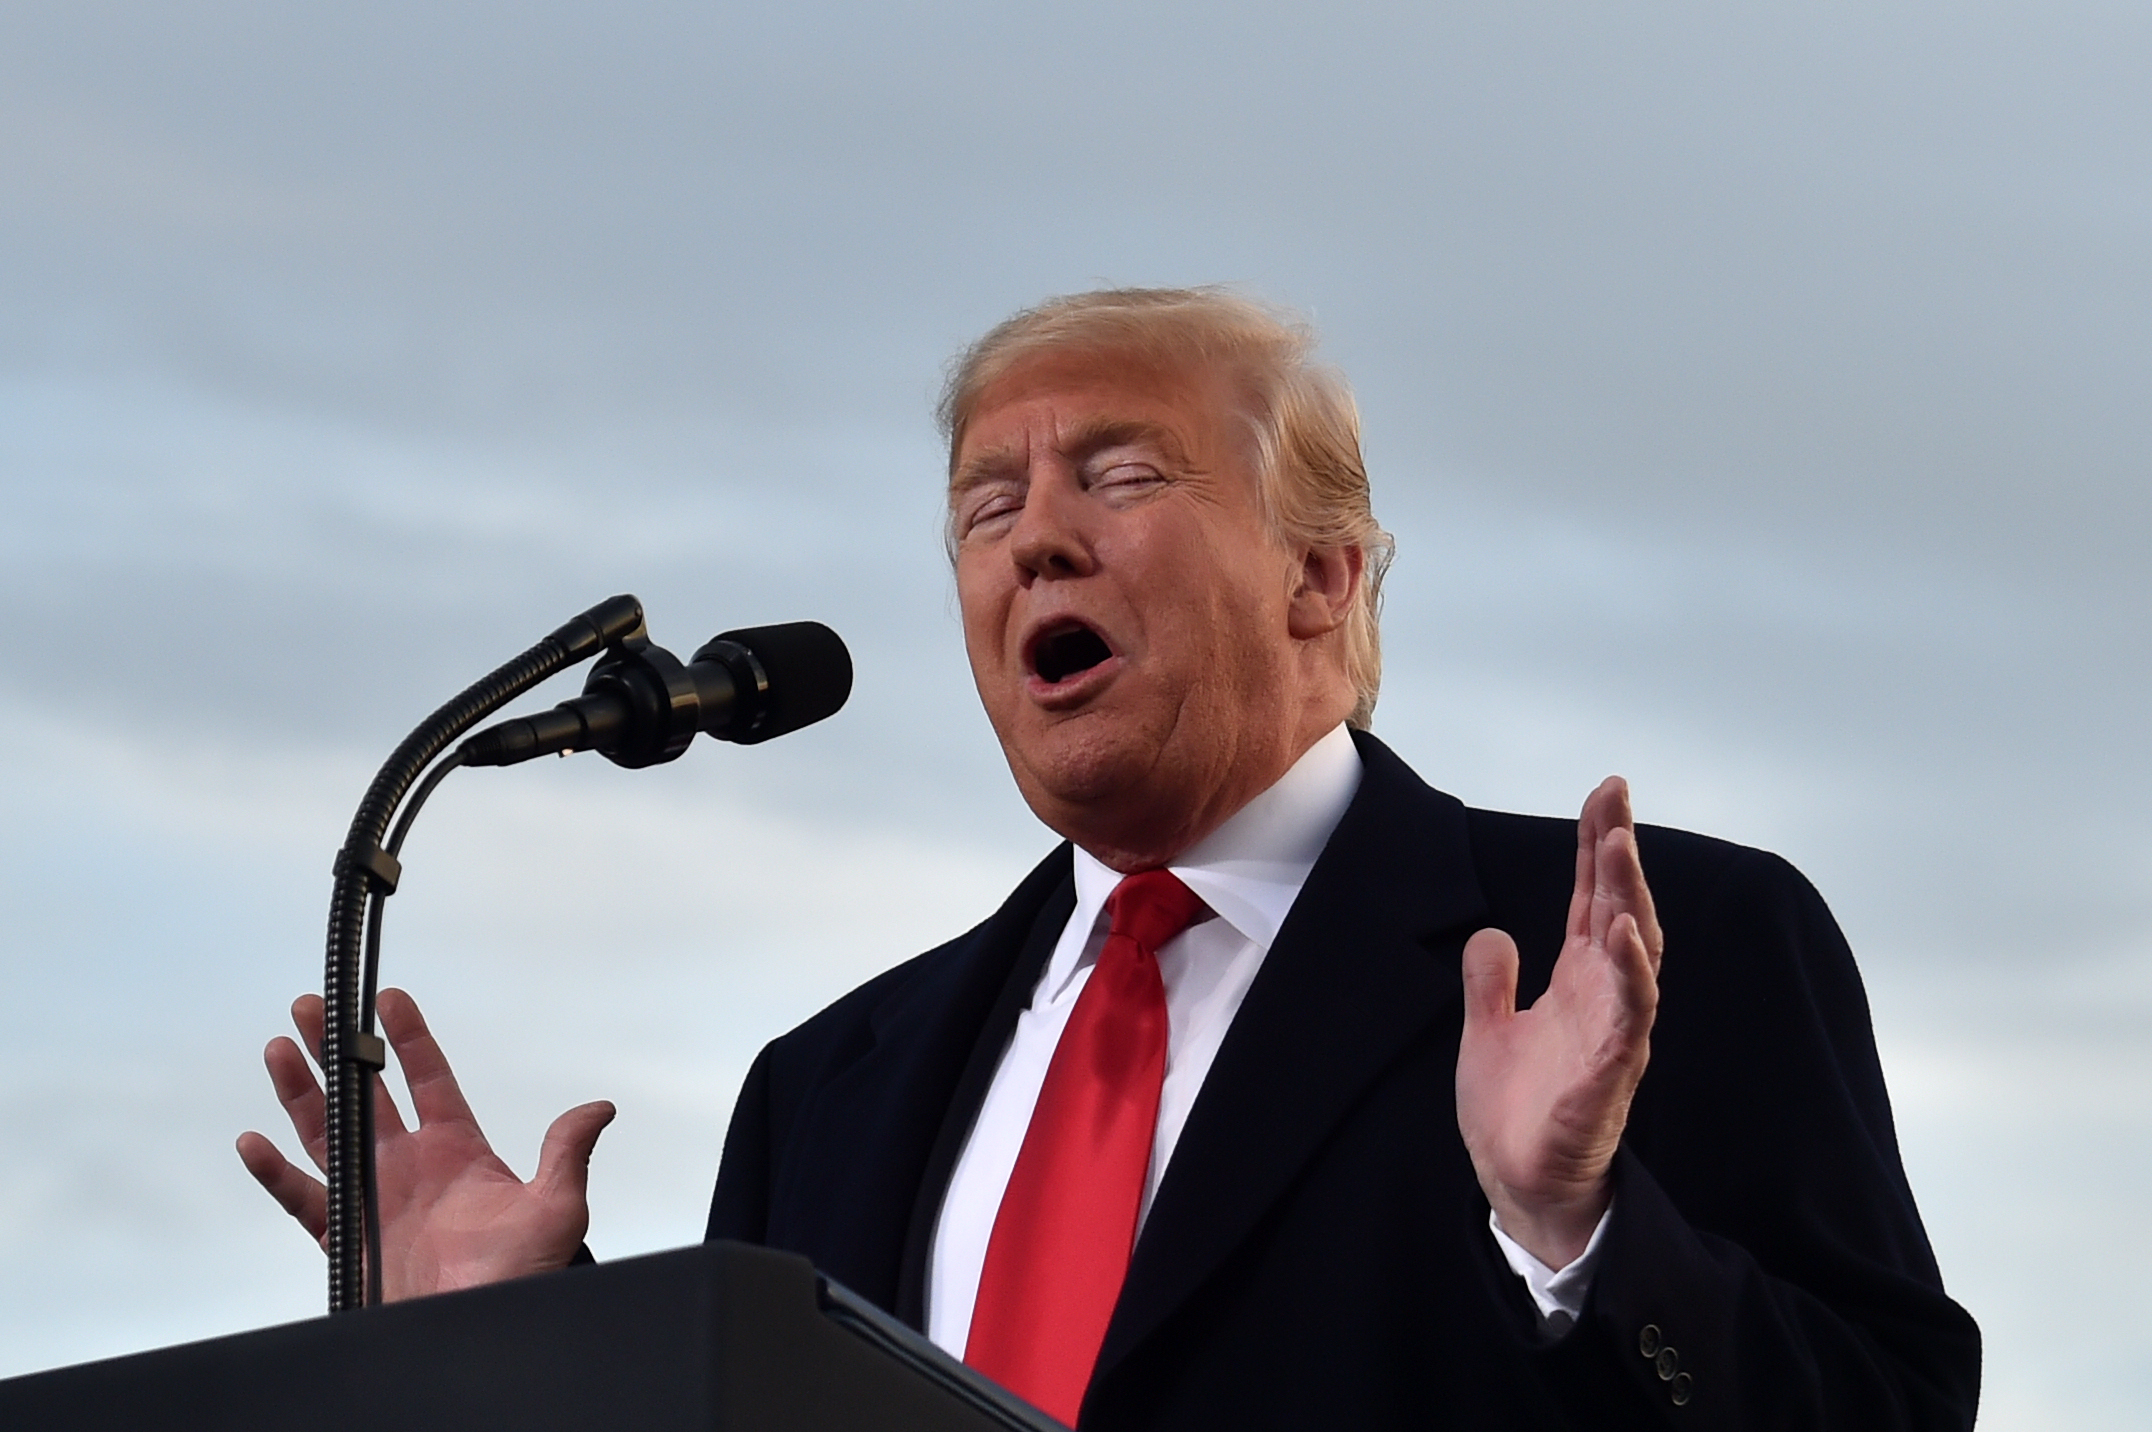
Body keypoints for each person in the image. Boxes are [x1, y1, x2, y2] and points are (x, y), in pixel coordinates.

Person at [241, 288, 1981, 1429]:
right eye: (985, 512)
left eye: (1120, 474)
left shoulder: (1648, 949)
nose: (1039, 539)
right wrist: (528, 1354)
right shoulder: (828, 1094)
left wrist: (1576, 1225)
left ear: (1324, 579)